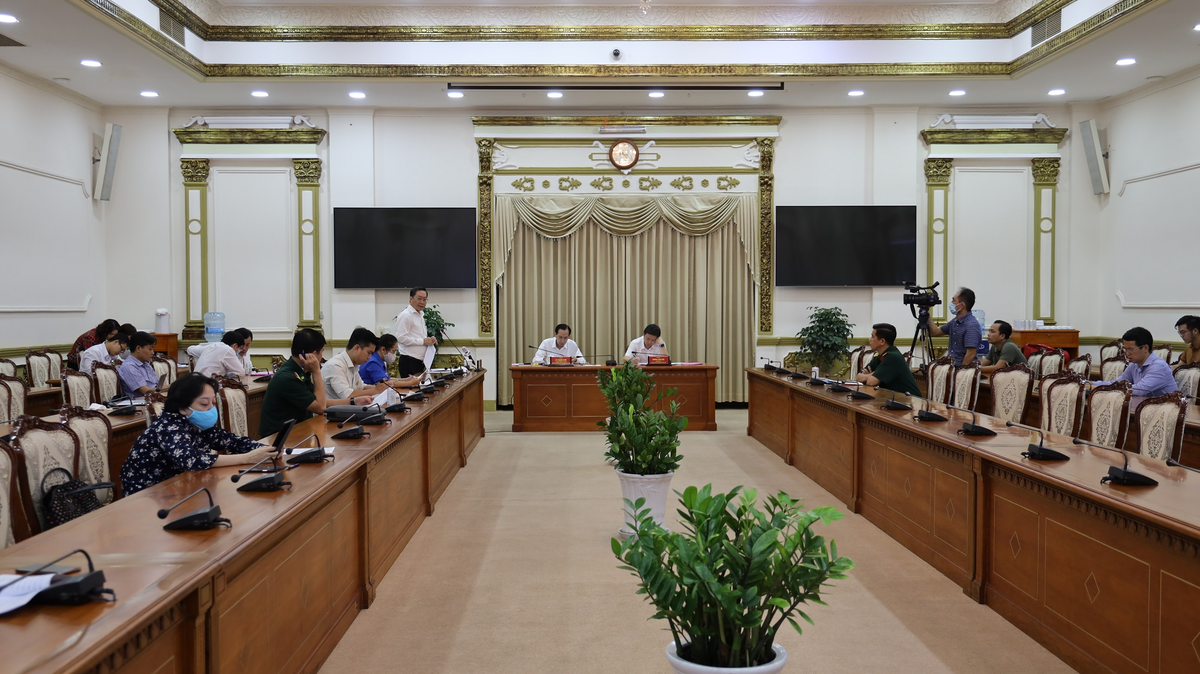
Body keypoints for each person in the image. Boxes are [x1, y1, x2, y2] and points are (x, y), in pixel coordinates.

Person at [119, 373, 275, 496]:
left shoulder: (198, 424)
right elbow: (192, 459)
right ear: (182, 407)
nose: (211, 409)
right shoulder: (168, 426)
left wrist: (265, 449)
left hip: (181, 486)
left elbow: (232, 441)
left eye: (213, 403)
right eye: (204, 403)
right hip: (148, 494)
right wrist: (246, 458)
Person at [259, 328, 375, 438]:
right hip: (279, 438)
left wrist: (353, 401)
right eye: (322, 352)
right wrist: (316, 371)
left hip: (298, 430)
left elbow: (317, 401)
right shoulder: (287, 378)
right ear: (313, 355)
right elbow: (321, 407)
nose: (322, 357)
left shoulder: (299, 372)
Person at [1090, 327, 1177, 397]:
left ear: (1145, 348)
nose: (1127, 353)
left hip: (1166, 411)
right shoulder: (1134, 365)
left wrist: (1099, 388)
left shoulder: (1159, 367)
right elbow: (1118, 383)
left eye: (1131, 349)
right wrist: (1090, 384)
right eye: (1125, 349)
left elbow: (1139, 390)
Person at [322, 327, 391, 400]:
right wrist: (375, 390)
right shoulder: (335, 365)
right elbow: (347, 395)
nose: (369, 357)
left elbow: (361, 387)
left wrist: (383, 387)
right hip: (335, 407)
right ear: (356, 348)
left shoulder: (354, 363)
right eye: (369, 353)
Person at [856, 323, 921, 396]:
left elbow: (871, 382)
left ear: (882, 341)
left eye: (872, 337)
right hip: (894, 399)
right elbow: (858, 377)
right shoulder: (880, 355)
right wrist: (871, 375)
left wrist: (870, 376)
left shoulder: (893, 357)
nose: (870, 340)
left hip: (911, 400)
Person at [925, 287, 981, 366]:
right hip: (952, 366)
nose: (951, 302)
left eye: (953, 300)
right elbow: (935, 332)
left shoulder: (971, 325)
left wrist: (960, 371)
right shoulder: (954, 322)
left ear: (961, 305)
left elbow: (971, 354)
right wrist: (926, 312)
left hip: (964, 370)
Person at [393, 287, 435, 378]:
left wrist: (430, 340)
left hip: (420, 361)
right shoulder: (406, 315)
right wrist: (423, 341)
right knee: (411, 387)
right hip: (409, 361)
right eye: (419, 299)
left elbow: (418, 336)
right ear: (411, 299)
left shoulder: (420, 315)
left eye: (425, 299)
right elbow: (401, 338)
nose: (422, 302)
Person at [118, 331, 160, 397]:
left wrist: (172, 387)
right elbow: (146, 392)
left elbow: (157, 386)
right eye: (150, 349)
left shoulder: (146, 364)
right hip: (140, 401)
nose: (153, 352)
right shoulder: (129, 367)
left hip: (154, 398)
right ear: (138, 348)